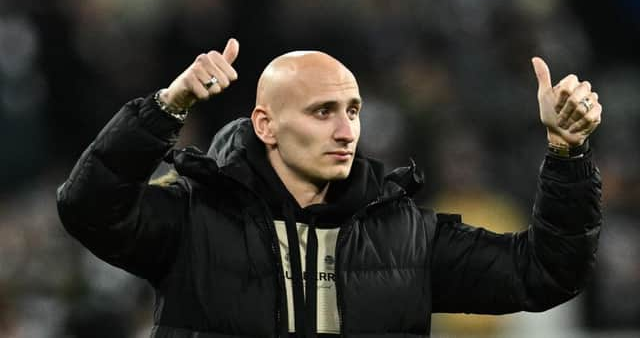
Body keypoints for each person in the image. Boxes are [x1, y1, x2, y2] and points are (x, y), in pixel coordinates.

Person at [57, 38, 603, 338]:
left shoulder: (404, 234)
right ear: (266, 125)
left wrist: (566, 153)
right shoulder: (195, 217)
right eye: (323, 112)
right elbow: (88, 208)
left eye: (353, 110)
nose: (346, 131)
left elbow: (547, 271)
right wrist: (164, 109)